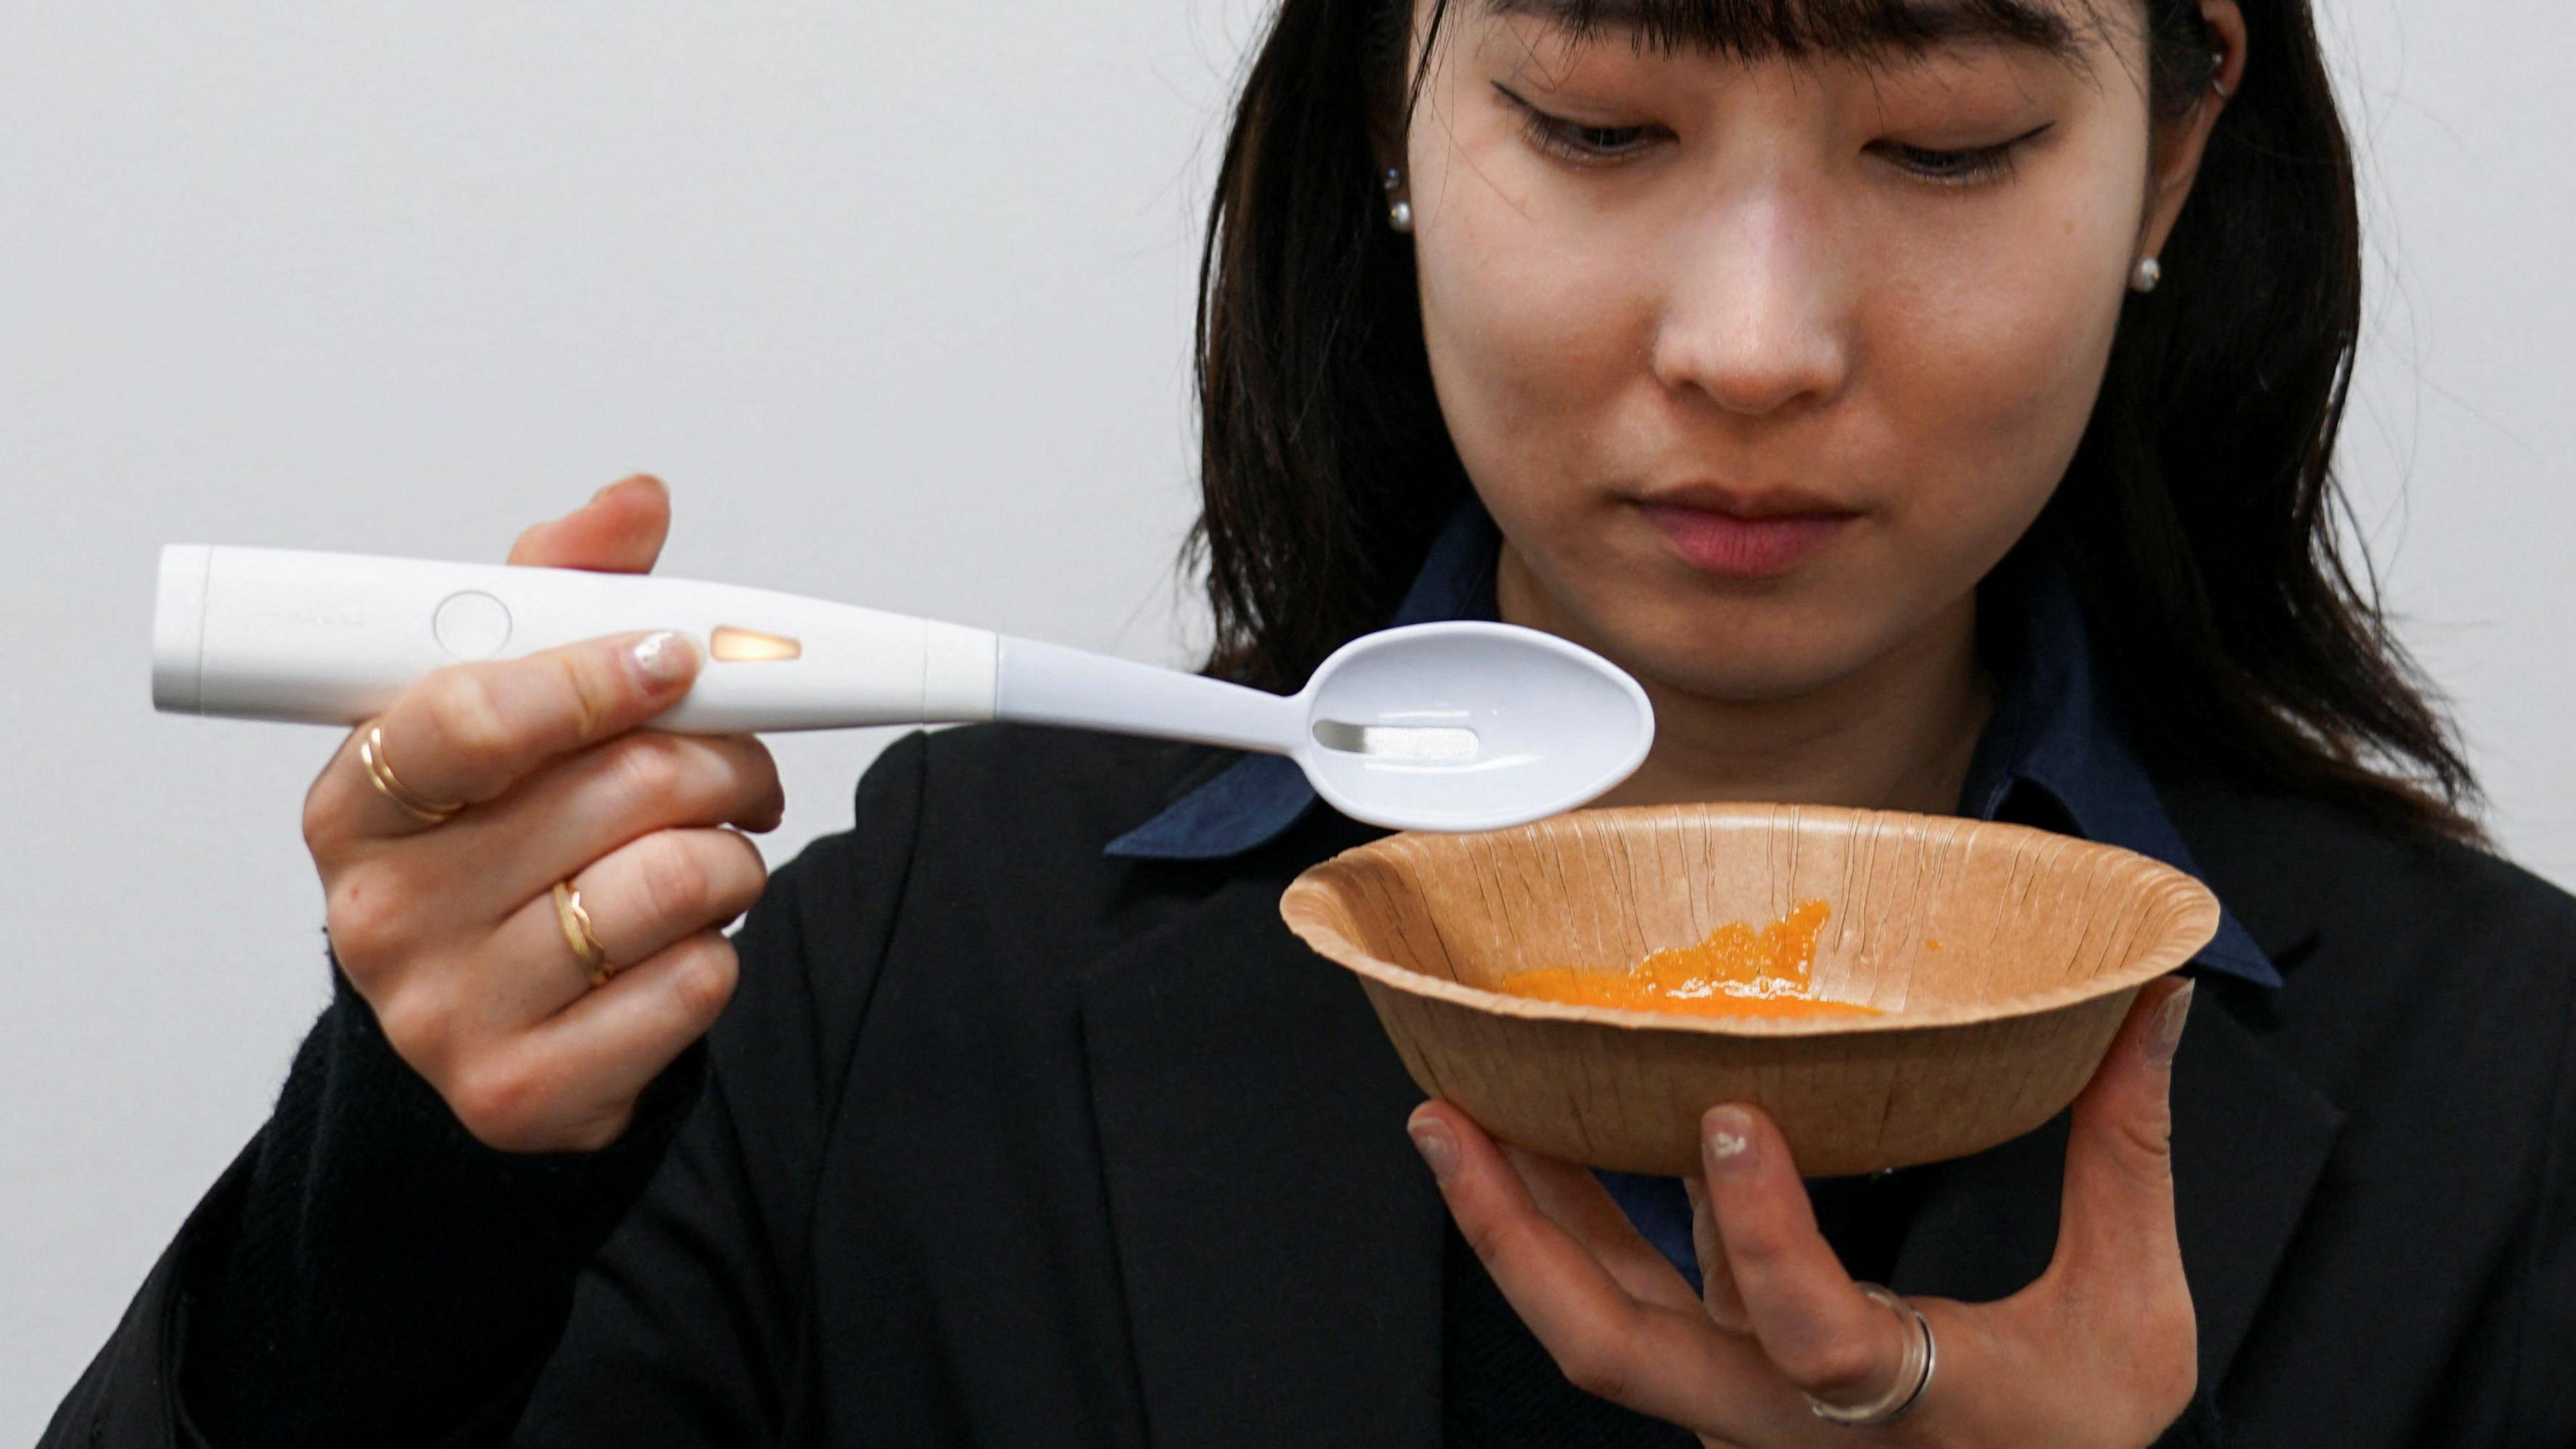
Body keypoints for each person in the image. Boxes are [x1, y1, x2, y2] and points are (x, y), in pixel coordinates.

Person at [44, 0, 2576, 1444]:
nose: (1756, 342)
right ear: (1395, 99)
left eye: (1948, 144)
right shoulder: (921, 971)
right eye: (1596, 119)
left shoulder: (2516, 1097)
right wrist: (421, 1163)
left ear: (2173, 147)